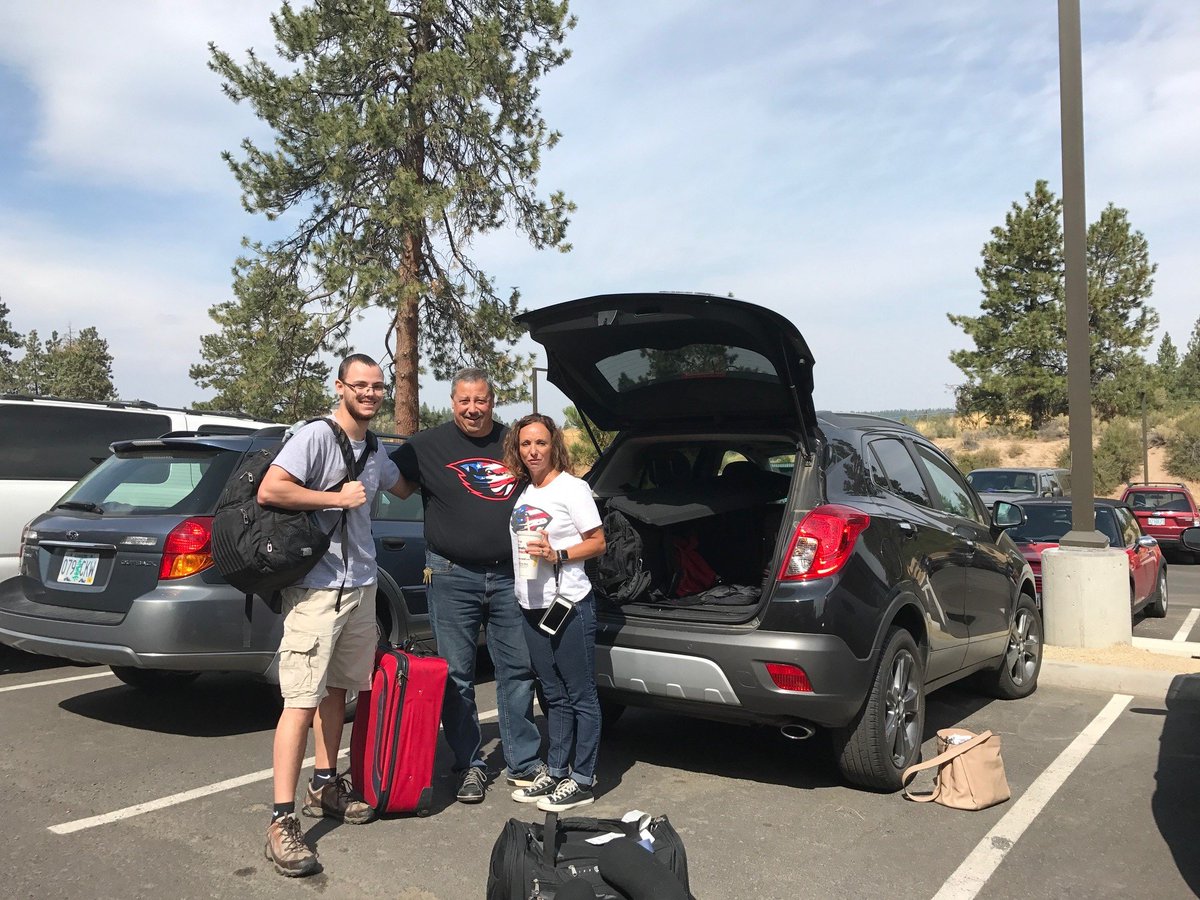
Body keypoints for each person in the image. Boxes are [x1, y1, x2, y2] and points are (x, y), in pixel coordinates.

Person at [257, 353, 402, 878]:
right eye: (359, 385)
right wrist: (334, 497)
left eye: (377, 386)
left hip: (361, 588)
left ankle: (325, 785)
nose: (369, 393)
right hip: (316, 591)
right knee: (300, 700)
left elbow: (402, 483)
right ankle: (280, 821)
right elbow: (271, 489)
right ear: (340, 386)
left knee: (339, 691)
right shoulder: (315, 435)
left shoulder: (376, 445)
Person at [389, 369, 543, 803]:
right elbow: (391, 484)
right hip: (452, 574)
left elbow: (547, 486)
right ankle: (470, 764)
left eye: (481, 401)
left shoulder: (514, 441)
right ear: (453, 401)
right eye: (464, 401)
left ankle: (524, 763)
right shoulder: (426, 445)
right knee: (456, 675)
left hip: (513, 573)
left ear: (493, 401)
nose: (473, 409)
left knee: (516, 670)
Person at [504, 413, 607, 812]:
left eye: (541, 443)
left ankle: (582, 779)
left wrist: (557, 553)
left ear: (554, 446)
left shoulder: (573, 488)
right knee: (553, 694)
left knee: (580, 694)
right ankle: (557, 771)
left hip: (568, 603)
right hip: (530, 603)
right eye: (526, 444)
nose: (533, 450)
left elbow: (597, 542)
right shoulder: (526, 492)